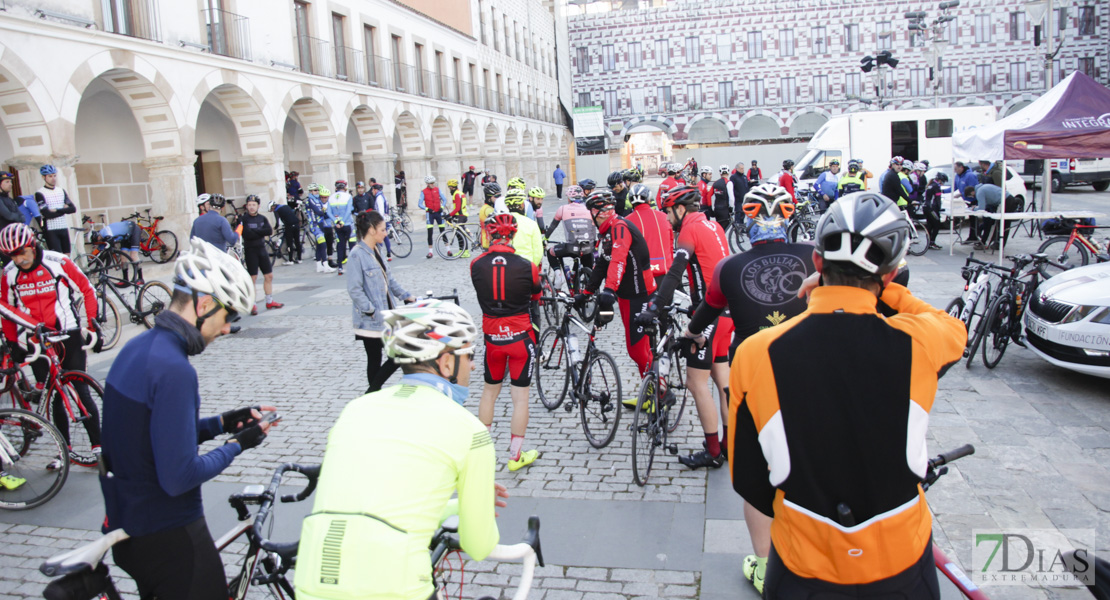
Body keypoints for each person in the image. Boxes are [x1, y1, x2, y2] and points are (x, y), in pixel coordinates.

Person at [729, 191, 965, 599]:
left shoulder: (756, 352)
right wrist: (890, 293)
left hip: (805, 562)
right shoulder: (920, 342)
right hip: (900, 560)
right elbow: (949, 325)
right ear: (889, 275)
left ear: (817, 263)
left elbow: (748, 479)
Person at [99, 238, 275, 600]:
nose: (227, 329)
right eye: (228, 317)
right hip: (171, 536)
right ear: (205, 304)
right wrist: (237, 445)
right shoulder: (175, 370)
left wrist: (222, 423)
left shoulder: (138, 349)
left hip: (130, 528)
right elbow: (180, 476)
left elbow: (150, 439)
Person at [295, 299, 502, 600]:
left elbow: (375, 508)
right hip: (394, 589)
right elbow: (478, 545)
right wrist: (479, 506)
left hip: (311, 582)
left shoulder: (355, 409)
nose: (473, 364)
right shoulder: (469, 430)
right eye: (469, 354)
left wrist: (459, 506)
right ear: (446, 363)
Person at [636, 185, 732, 469]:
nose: (666, 218)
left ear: (680, 208)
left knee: (695, 382)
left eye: (667, 211)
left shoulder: (689, 230)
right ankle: (728, 443)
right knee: (722, 381)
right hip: (728, 314)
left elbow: (676, 272)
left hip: (710, 315)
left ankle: (713, 451)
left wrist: (654, 306)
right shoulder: (713, 225)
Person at [1, 222, 100, 466]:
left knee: (81, 392)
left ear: (33, 245)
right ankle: (63, 451)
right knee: (54, 397)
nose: (19, 258)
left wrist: (94, 321)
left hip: (68, 336)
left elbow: (87, 289)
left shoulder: (58, 261)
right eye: (12, 254)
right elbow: (6, 309)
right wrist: (13, 343)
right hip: (37, 343)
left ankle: (99, 447)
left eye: (22, 251)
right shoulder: (9, 273)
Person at [471, 214, 542, 471]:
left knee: (489, 392)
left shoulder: (476, 264)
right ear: (513, 235)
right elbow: (537, 293)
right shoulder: (527, 266)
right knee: (520, 398)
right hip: (521, 337)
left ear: (489, 235)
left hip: (493, 338)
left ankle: (481, 455)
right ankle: (515, 456)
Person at [577, 191, 657, 378]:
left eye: (591, 212)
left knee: (637, 350)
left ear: (599, 212)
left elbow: (618, 260)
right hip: (628, 295)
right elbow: (603, 263)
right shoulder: (608, 231)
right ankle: (651, 392)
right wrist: (587, 292)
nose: (590, 217)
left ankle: (661, 393)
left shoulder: (619, 227)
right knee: (641, 349)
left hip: (639, 294)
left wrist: (609, 290)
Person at [347, 210, 417, 393]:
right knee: (384, 357)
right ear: (371, 230)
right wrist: (371, 311)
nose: (386, 233)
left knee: (396, 355)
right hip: (371, 319)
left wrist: (406, 296)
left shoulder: (377, 250)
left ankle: (372, 392)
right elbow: (355, 289)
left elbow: (389, 280)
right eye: (383, 229)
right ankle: (373, 393)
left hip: (386, 314)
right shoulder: (357, 255)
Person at [237, 195, 283, 314]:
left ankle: (269, 300)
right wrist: (259, 232)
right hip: (250, 250)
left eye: (254, 205)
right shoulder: (243, 219)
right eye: (249, 205)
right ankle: (252, 303)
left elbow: (269, 231)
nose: (251, 207)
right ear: (247, 206)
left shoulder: (262, 218)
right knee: (252, 278)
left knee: (269, 276)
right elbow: (246, 234)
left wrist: (256, 232)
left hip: (262, 249)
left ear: (258, 206)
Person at [544, 185, 596, 279]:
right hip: (588, 247)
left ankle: (559, 278)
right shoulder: (589, 209)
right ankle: (588, 284)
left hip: (571, 247)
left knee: (550, 252)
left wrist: (545, 238)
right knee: (586, 260)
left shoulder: (563, 209)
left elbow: (553, 226)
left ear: (569, 198)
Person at [626, 182, 674, 281]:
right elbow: (670, 245)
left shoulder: (626, 222)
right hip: (665, 271)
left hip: (640, 275)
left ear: (631, 202)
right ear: (649, 199)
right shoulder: (664, 217)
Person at [35, 165, 77, 254]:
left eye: (54, 175)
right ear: (43, 177)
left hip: (63, 227)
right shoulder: (40, 193)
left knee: (67, 257)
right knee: (57, 257)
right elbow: (47, 214)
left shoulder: (61, 190)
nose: (53, 178)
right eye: (50, 176)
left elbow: (73, 209)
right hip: (51, 230)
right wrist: (64, 210)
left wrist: (57, 210)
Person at [503, 188, 544, 266]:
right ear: (522, 205)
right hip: (526, 265)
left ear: (507, 206)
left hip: (507, 266)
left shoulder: (501, 222)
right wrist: (532, 266)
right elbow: (538, 252)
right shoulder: (531, 224)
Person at [306, 185, 337, 273]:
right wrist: (325, 211)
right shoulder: (310, 200)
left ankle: (319, 266)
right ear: (311, 191)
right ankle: (326, 265)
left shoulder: (317, 200)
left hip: (320, 224)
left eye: (317, 190)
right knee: (323, 244)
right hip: (314, 225)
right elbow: (319, 212)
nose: (317, 192)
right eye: (315, 190)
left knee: (319, 245)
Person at [328, 180, 355, 274]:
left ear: (336, 188)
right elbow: (348, 211)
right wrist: (343, 221)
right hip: (347, 223)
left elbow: (328, 212)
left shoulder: (331, 198)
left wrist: (336, 221)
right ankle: (354, 266)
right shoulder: (348, 196)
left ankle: (340, 267)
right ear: (345, 188)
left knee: (340, 245)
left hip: (337, 225)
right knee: (352, 244)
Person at [420, 175, 449, 259]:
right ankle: (430, 252)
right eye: (431, 183)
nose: (433, 184)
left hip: (438, 212)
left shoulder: (437, 189)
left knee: (442, 231)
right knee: (430, 233)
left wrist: (442, 207)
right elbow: (419, 204)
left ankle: (448, 250)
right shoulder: (423, 192)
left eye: (433, 183)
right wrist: (427, 209)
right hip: (430, 214)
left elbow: (444, 199)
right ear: (427, 184)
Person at [270, 198, 302, 265]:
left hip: (289, 226)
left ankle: (290, 260)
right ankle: (299, 259)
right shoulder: (285, 206)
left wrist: (275, 228)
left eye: (271, 209)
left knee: (289, 244)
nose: (272, 211)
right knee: (297, 242)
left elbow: (277, 222)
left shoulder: (277, 210)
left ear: (273, 207)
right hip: (296, 224)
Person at [447, 178, 470, 258]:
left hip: (461, 216)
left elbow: (457, 208)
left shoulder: (457, 194)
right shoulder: (459, 193)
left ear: (453, 187)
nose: (449, 189)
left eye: (449, 188)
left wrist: (449, 215)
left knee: (461, 235)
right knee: (459, 234)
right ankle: (462, 250)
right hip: (461, 215)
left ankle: (465, 252)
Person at [922, 173, 946, 250]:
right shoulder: (936, 186)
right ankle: (932, 242)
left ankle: (929, 243)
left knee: (930, 225)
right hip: (932, 209)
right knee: (937, 225)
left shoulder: (931, 184)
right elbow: (937, 200)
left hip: (926, 208)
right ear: (940, 180)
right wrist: (939, 208)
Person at [371, 183, 394, 260]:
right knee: (385, 236)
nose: (372, 192)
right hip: (385, 219)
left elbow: (380, 210)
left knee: (380, 236)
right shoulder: (383, 196)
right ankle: (388, 254)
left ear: (375, 189)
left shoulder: (379, 197)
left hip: (381, 220)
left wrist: (378, 221)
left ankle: (381, 254)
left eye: (373, 190)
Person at [479, 182, 501, 249]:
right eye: (496, 196)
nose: (498, 198)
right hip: (489, 243)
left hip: (488, 241)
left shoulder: (486, 207)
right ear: (489, 197)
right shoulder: (488, 209)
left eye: (500, 195)